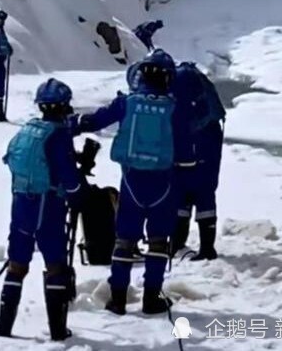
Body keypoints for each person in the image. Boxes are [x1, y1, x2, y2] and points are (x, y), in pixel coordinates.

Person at [78, 49, 177, 316]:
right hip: (163, 182)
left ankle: (118, 298)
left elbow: (96, 120)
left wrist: (70, 123)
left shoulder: (127, 103)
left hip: (131, 180)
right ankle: (152, 298)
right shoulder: (173, 107)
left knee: (124, 239)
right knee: (158, 241)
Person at [0, 78, 83, 341]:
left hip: (21, 203)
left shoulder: (29, 128)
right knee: (55, 263)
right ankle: (57, 331)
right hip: (48, 205)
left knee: (17, 262)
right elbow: (67, 175)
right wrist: (77, 194)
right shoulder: (58, 135)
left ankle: (4, 327)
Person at [169, 62, 225, 261]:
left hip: (189, 151)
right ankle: (207, 246)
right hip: (209, 148)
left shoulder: (177, 88)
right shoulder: (199, 88)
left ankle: (176, 244)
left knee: (181, 196)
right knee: (205, 195)